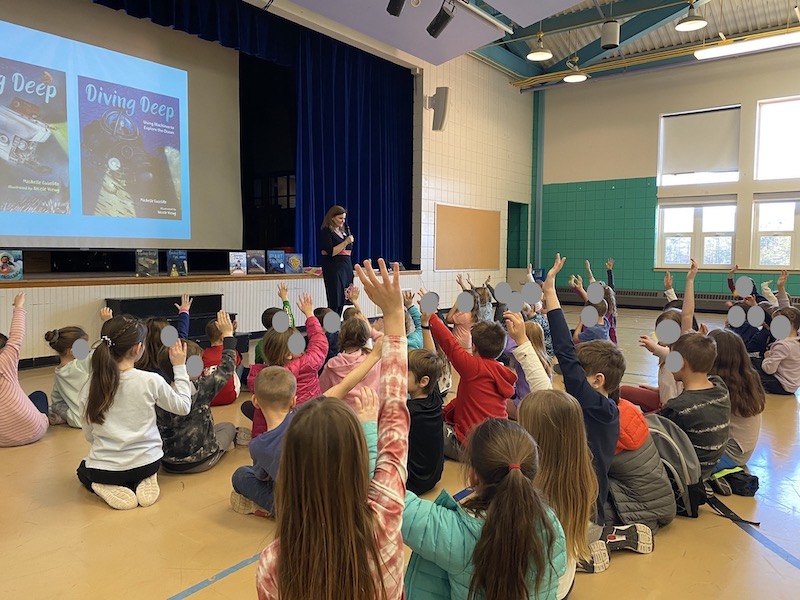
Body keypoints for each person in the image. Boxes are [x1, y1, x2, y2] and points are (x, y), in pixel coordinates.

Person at [256, 258, 409, 600]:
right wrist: (395, 318)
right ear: (359, 457)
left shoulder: (275, 563)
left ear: (292, 468)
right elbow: (396, 413)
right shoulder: (383, 519)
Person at [402, 418, 567, 600]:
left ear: (473, 476)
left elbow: (387, 496)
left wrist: (369, 427)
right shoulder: (551, 525)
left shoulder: (456, 532)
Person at [231, 341, 384, 517]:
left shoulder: (257, 445)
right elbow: (344, 386)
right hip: (332, 497)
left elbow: (263, 477)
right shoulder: (307, 414)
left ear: (255, 401)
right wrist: (374, 356)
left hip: (300, 509)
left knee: (241, 475)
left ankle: (278, 511)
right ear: (294, 401)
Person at [77, 315, 192, 509]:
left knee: (82, 470)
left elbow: (88, 432)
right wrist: (179, 367)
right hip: (149, 462)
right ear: (138, 349)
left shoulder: (91, 384)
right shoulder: (150, 380)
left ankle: (104, 484)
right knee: (139, 467)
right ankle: (143, 479)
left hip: (107, 470)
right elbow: (183, 407)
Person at [543, 253, 621, 523]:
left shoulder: (598, 407)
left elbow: (566, 350)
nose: (570, 381)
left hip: (584, 502)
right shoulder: (604, 405)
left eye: (579, 376)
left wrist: (551, 293)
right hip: (581, 491)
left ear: (598, 380)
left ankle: (597, 538)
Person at [423, 297, 516, 461]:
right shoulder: (502, 370)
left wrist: (432, 316)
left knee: (427, 425)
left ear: (474, 346)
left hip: (471, 448)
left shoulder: (473, 367)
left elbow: (450, 343)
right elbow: (464, 401)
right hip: (498, 441)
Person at [156, 311, 238, 473]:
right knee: (228, 428)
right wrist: (228, 334)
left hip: (168, 463)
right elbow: (227, 367)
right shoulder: (201, 388)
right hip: (201, 460)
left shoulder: (158, 392)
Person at [247, 293, 329, 437]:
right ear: (289, 354)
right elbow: (319, 342)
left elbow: (261, 428)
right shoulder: (308, 364)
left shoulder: (260, 378)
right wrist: (310, 315)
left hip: (273, 436)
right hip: (311, 424)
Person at [661, 332, 731, 481]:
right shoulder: (719, 386)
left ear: (682, 364)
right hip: (709, 466)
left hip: (688, 475)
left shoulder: (679, 408)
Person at [707, 329, 766, 495]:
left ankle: (712, 475)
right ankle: (721, 474)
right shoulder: (749, 377)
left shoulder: (719, 385)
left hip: (727, 453)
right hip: (744, 452)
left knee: (676, 456)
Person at [45, 308, 113, 427]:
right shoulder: (82, 364)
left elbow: (56, 397)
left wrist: (57, 409)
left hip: (74, 418)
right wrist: (108, 322)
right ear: (72, 351)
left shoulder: (58, 372)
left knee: (56, 407)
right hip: (89, 418)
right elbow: (104, 347)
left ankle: (59, 417)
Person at [0, 293, 49, 447]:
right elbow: (16, 335)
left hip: (3, 440)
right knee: (39, 396)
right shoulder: (5, 362)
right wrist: (19, 307)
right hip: (35, 430)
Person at [318, 317, 381, 409]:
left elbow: (322, 392)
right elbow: (386, 342)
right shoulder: (373, 360)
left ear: (342, 336)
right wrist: (373, 331)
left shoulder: (332, 365)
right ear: (366, 337)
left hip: (344, 416)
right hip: (372, 414)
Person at [406, 349, 445, 495]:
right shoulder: (435, 398)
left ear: (423, 381)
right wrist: (425, 326)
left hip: (413, 482)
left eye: (405, 373)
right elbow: (432, 356)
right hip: (434, 476)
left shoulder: (409, 411)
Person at [319, 204, 354, 315]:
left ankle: (336, 327)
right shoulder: (326, 231)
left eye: (344, 218)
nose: (343, 221)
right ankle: (331, 328)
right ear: (332, 217)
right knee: (335, 300)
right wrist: (346, 242)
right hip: (334, 268)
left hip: (346, 267)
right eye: (340, 218)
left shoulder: (344, 232)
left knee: (343, 301)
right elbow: (331, 252)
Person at [202, 317, 242, 406]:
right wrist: (230, 335)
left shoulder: (202, 354)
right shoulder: (233, 352)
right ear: (223, 337)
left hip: (207, 398)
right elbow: (237, 361)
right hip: (230, 397)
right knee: (239, 365)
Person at [447, 284, 479, 353]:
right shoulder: (473, 312)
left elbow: (448, 319)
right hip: (467, 340)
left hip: (459, 341)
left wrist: (455, 306)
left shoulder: (463, 314)